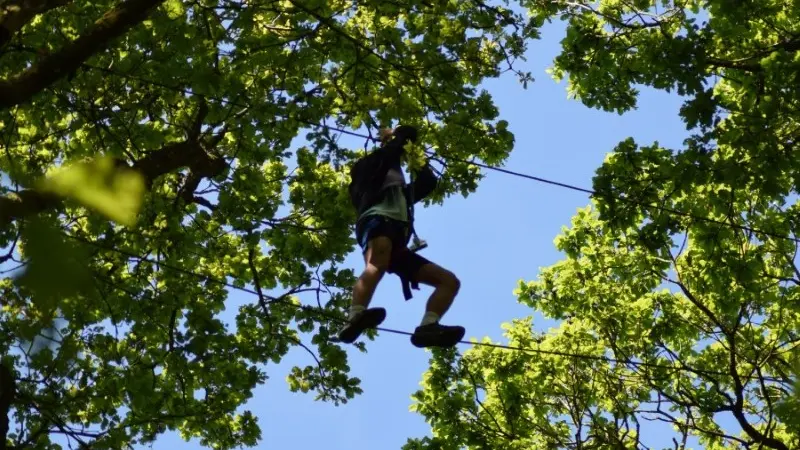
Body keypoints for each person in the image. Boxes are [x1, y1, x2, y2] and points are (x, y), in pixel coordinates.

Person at [337, 124, 465, 348]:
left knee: (449, 281)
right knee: (377, 262)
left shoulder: (401, 194)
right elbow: (388, 155)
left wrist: (414, 151)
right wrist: (398, 139)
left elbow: (427, 182)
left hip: (397, 239)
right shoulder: (367, 170)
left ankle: (428, 326)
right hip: (377, 221)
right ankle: (355, 316)